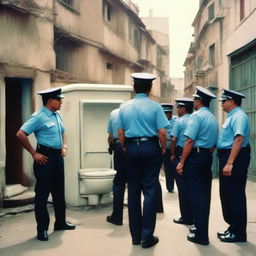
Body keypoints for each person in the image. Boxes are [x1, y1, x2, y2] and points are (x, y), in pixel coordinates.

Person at [16, 88, 75, 241]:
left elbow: (63, 132)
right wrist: (34, 153)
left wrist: (65, 146)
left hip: (57, 157)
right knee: (42, 195)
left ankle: (60, 222)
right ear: (50, 101)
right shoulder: (39, 116)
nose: (61, 102)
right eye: (59, 99)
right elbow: (21, 134)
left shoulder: (56, 114)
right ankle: (42, 229)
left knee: (59, 192)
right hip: (45, 159)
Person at [117, 72, 169, 248]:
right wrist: (162, 148)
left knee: (132, 191)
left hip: (131, 148)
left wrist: (125, 147)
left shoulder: (123, 107)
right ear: (150, 88)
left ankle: (135, 236)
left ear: (134, 87)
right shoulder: (155, 107)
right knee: (150, 190)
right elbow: (162, 132)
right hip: (150, 148)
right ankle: (147, 237)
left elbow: (120, 133)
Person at [176, 86, 218, 245]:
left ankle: (201, 235)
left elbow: (189, 141)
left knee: (196, 195)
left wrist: (182, 162)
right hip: (206, 156)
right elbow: (214, 143)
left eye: (194, 99)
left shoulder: (196, 116)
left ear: (198, 101)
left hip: (195, 157)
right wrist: (205, 153)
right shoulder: (212, 118)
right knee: (204, 195)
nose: (193, 102)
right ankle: (200, 228)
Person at [216, 89, 250, 243]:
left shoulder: (239, 116)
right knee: (227, 195)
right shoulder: (232, 116)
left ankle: (239, 233)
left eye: (223, 101)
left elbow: (238, 139)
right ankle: (233, 227)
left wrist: (230, 163)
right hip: (228, 155)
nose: (222, 104)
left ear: (231, 101)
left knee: (235, 195)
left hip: (235, 157)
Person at [171, 98, 194, 226]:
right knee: (192, 187)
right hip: (193, 154)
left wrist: (173, 155)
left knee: (182, 187)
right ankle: (195, 215)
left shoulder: (179, 121)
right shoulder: (195, 119)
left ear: (183, 109)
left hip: (181, 153)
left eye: (179, 107)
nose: (177, 110)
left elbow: (173, 139)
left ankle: (186, 217)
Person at [106, 108, 126, 225]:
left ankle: (117, 217)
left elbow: (110, 136)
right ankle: (136, 217)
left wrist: (110, 147)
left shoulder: (114, 113)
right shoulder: (136, 111)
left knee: (119, 182)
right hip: (136, 146)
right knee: (135, 183)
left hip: (118, 146)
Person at [160, 103, 175, 193]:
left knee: (173, 167)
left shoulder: (176, 121)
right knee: (166, 167)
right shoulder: (160, 122)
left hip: (173, 147)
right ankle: (169, 186)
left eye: (168, 113)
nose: (166, 115)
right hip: (162, 147)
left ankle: (172, 185)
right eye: (164, 113)